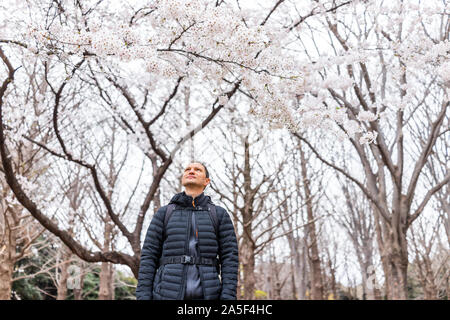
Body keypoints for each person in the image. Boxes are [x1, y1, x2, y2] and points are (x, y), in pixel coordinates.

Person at [136, 162, 239, 300]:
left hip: (209, 295)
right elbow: (148, 256)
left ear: (206, 181)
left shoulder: (219, 214)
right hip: (166, 294)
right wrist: (143, 296)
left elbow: (229, 258)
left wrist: (228, 296)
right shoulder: (164, 213)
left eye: (197, 170)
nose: (191, 171)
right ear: (182, 178)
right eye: (187, 169)